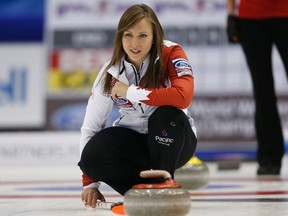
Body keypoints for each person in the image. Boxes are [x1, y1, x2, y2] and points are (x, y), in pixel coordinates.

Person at [78, 4, 197, 208]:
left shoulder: (171, 53)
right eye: (128, 35)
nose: (134, 43)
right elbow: (91, 126)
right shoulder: (110, 71)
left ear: (154, 37)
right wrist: (90, 183)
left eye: (142, 35)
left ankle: (164, 186)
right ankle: (143, 193)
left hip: (173, 139)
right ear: (120, 37)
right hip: (136, 144)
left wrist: (130, 91)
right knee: (91, 157)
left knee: (165, 114)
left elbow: (182, 97)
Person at [226, 0, 288, 175]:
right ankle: (269, 158)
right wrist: (231, 14)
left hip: (285, 13)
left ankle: (270, 157)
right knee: (262, 89)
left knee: (263, 89)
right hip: (251, 18)